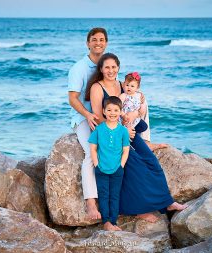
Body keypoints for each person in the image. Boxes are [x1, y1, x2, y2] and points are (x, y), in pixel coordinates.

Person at [85, 53, 188, 222]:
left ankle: (167, 202)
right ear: (101, 69)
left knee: (151, 161)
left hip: (128, 130)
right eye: (107, 67)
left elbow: (136, 106)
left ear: (118, 68)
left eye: (114, 67)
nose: (110, 70)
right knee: (135, 167)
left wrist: (136, 110)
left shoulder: (122, 85)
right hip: (111, 135)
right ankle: (140, 210)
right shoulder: (97, 87)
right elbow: (98, 117)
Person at [68, 27, 108, 220]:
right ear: (88, 43)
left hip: (105, 117)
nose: (98, 43)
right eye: (94, 40)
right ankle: (91, 203)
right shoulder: (78, 68)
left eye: (101, 39)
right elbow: (72, 98)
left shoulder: (107, 66)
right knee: (91, 154)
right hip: (83, 118)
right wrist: (87, 114)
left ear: (106, 43)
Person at [88, 96, 130, 231]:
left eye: (116, 110)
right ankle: (106, 221)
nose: (112, 113)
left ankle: (113, 221)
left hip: (117, 169)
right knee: (104, 195)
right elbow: (93, 148)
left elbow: (126, 150)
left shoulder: (123, 130)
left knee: (115, 195)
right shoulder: (99, 129)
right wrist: (96, 164)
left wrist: (121, 166)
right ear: (104, 111)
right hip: (101, 169)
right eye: (109, 110)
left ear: (120, 112)